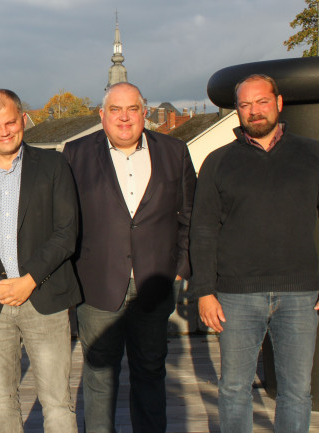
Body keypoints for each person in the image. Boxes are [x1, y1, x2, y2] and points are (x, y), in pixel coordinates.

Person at [62, 82, 196, 433]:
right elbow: (65, 221)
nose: (124, 118)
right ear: (102, 115)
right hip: (98, 284)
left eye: (132, 109)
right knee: (99, 376)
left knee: (151, 371)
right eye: (116, 110)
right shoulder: (74, 153)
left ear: (145, 112)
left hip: (156, 281)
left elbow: (189, 215)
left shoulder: (174, 151)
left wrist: (181, 267)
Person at [191, 74, 319, 433]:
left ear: (279, 103)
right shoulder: (218, 162)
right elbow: (202, 231)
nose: (254, 111)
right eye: (244, 105)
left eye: (261, 101)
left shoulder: (312, 155)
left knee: (297, 391)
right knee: (234, 389)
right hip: (236, 296)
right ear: (237, 111)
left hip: (300, 295)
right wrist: (204, 291)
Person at [0, 88, 80, 433]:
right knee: (0, 399)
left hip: (45, 297)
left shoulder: (54, 165)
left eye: (10, 122)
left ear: (23, 119)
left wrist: (28, 280)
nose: (4, 132)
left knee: (56, 401)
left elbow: (66, 232)